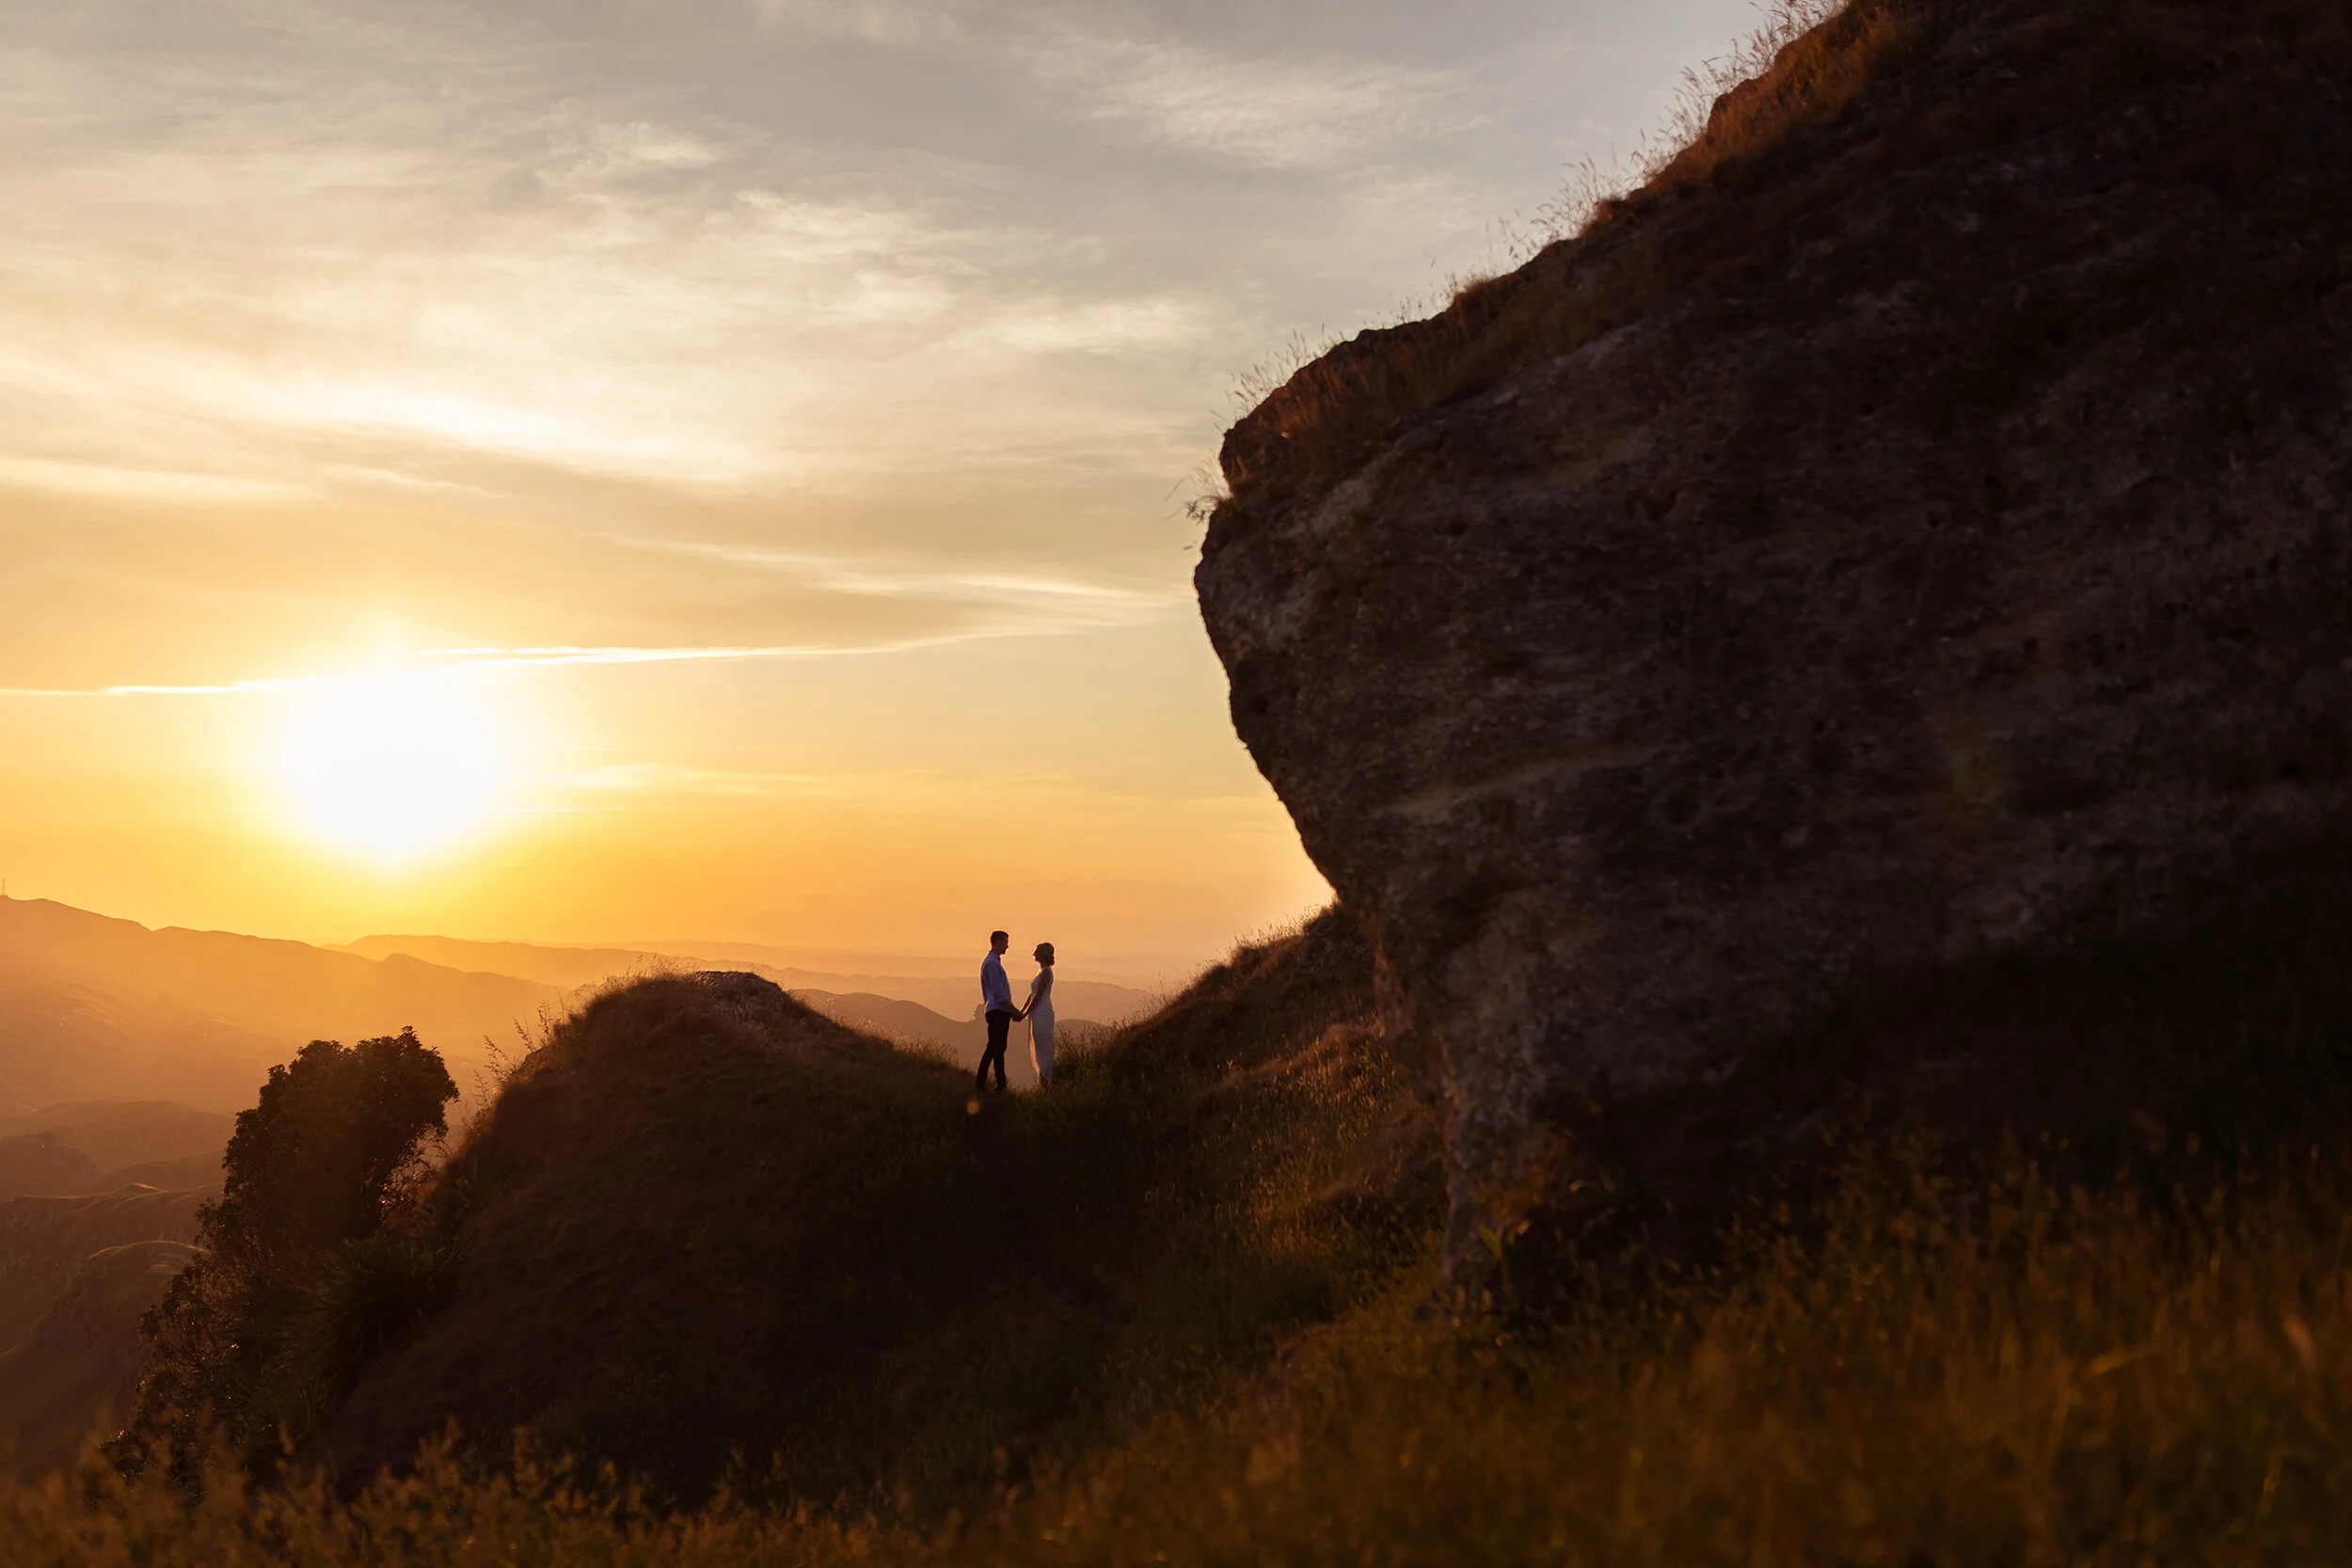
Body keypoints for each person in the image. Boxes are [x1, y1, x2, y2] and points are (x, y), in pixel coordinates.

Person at [977, 929, 1016, 1093]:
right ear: (998, 942)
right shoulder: (992, 964)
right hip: (998, 1011)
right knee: (994, 1047)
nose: (1007, 946)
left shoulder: (993, 962)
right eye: (1005, 942)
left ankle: (1000, 1083)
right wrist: (1014, 1010)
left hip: (998, 1010)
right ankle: (982, 1084)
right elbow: (999, 994)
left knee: (998, 1048)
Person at [1020, 942, 1057, 1086]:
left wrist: (1024, 1013)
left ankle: (1046, 1079)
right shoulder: (1041, 972)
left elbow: (1039, 995)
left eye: (1036, 952)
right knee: (1038, 1044)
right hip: (1036, 1012)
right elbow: (1032, 995)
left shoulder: (1046, 972)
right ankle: (1043, 1080)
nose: (1034, 954)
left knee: (1043, 1045)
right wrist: (1022, 1011)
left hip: (1042, 1012)